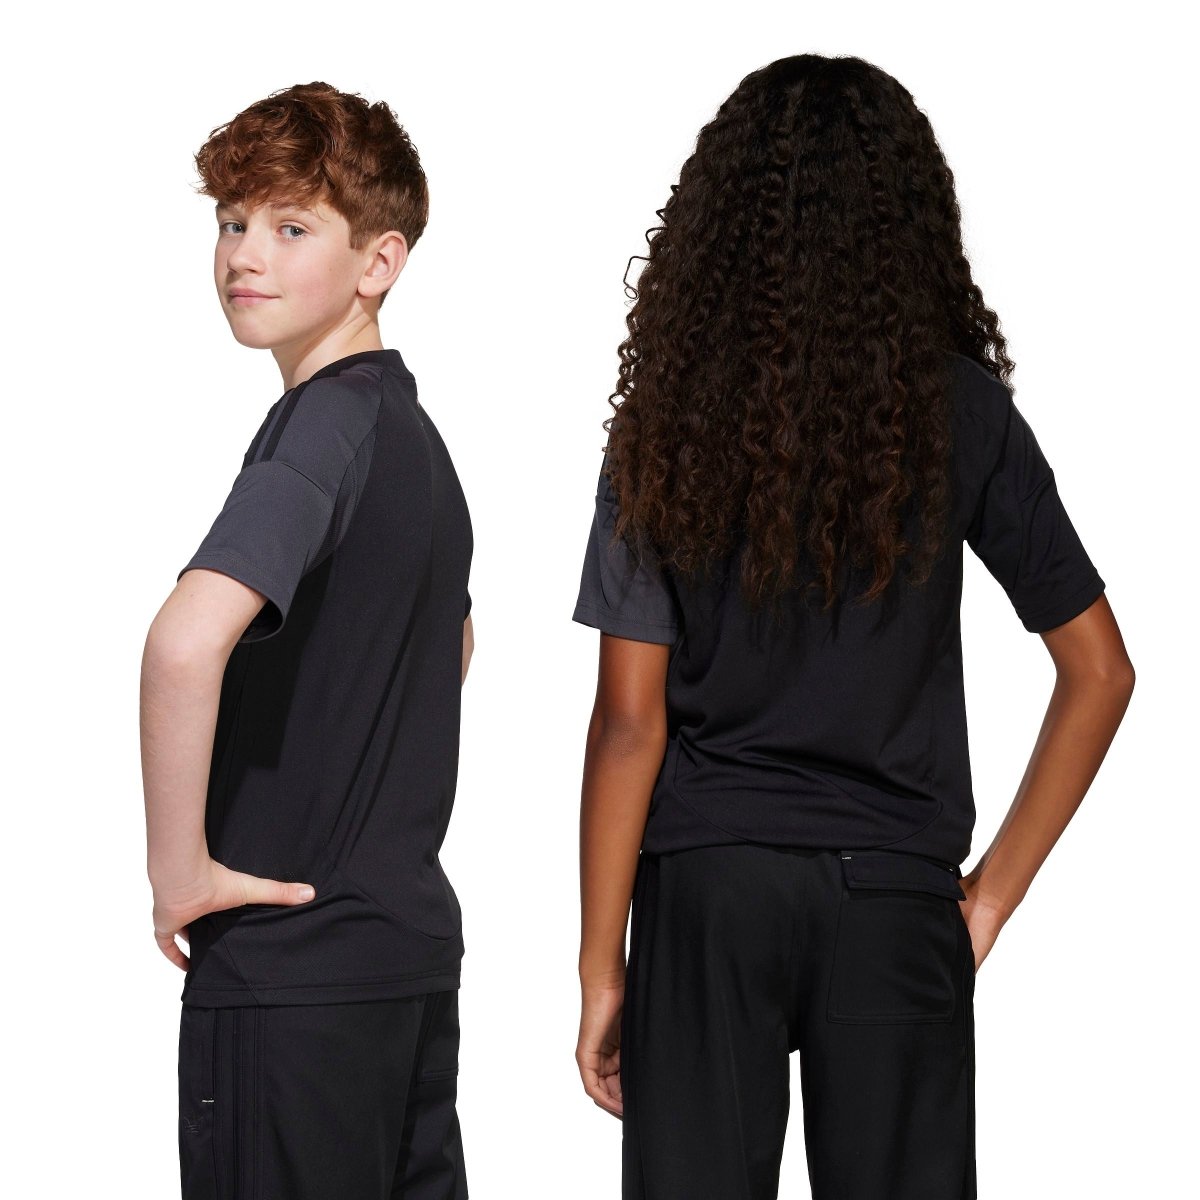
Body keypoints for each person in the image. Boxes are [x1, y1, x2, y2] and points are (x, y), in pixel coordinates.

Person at [571, 54, 1134, 1200]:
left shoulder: (670, 422)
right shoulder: (962, 413)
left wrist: (601, 968)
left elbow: (630, 722)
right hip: (892, 897)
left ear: (720, 223)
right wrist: (989, 897)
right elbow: (1101, 670)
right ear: (908, 216)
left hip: (711, 891)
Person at [140, 82, 473, 1199]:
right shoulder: (415, 440)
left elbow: (183, 644)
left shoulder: (321, 428)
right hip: (402, 967)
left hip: (292, 982)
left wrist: (179, 872)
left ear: (379, 262)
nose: (245, 253)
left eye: (291, 228)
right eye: (233, 220)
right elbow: (452, 647)